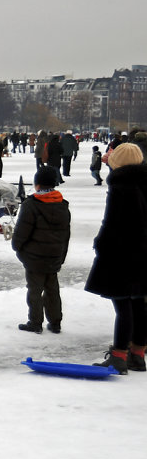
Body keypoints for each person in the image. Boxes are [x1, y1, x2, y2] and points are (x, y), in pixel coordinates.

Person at [86, 143, 147, 374]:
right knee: (138, 303)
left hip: (123, 253)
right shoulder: (143, 183)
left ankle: (119, 355)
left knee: (123, 304)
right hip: (144, 252)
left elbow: (112, 222)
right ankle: (138, 354)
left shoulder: (122, 186)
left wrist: (100, 244)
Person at [13, 166, 70, 334]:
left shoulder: (31, 205)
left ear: (37, 184)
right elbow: (66, 235)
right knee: (53, 290)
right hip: (54, 256)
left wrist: (18, 248)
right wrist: (61, 256)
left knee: (35, 290)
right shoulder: (63, 205)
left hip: (34, 257)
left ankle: (35, 322)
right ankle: (55, 322)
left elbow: (21, 232)